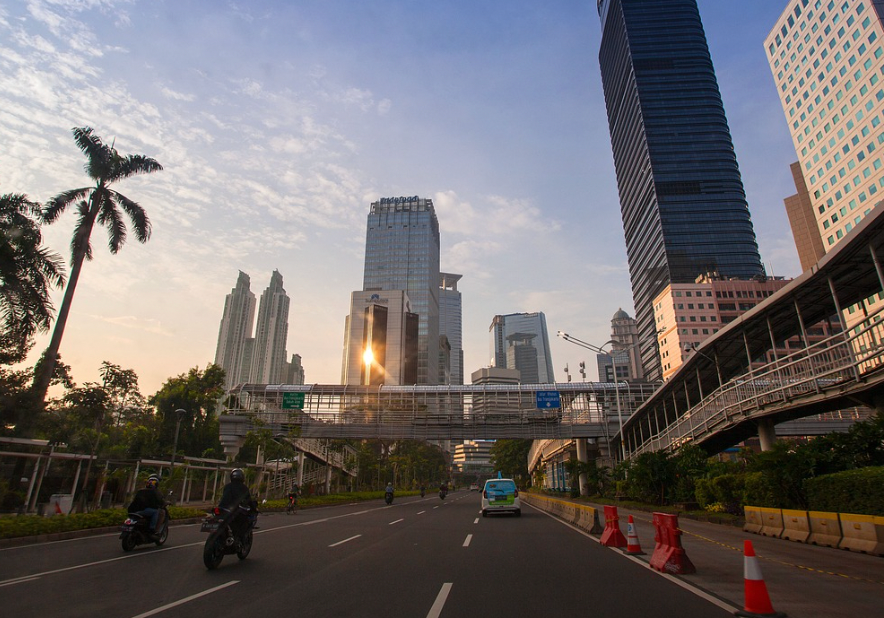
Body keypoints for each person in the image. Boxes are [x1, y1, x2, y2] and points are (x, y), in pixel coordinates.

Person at [219, 468, 256, 534]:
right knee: (243, 521)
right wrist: (253, 508)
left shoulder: (227, 486)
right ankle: (238, 535)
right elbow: (248, 500)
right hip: (233, 510)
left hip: (222, 509)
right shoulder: (243, 488)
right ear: (242, 477)